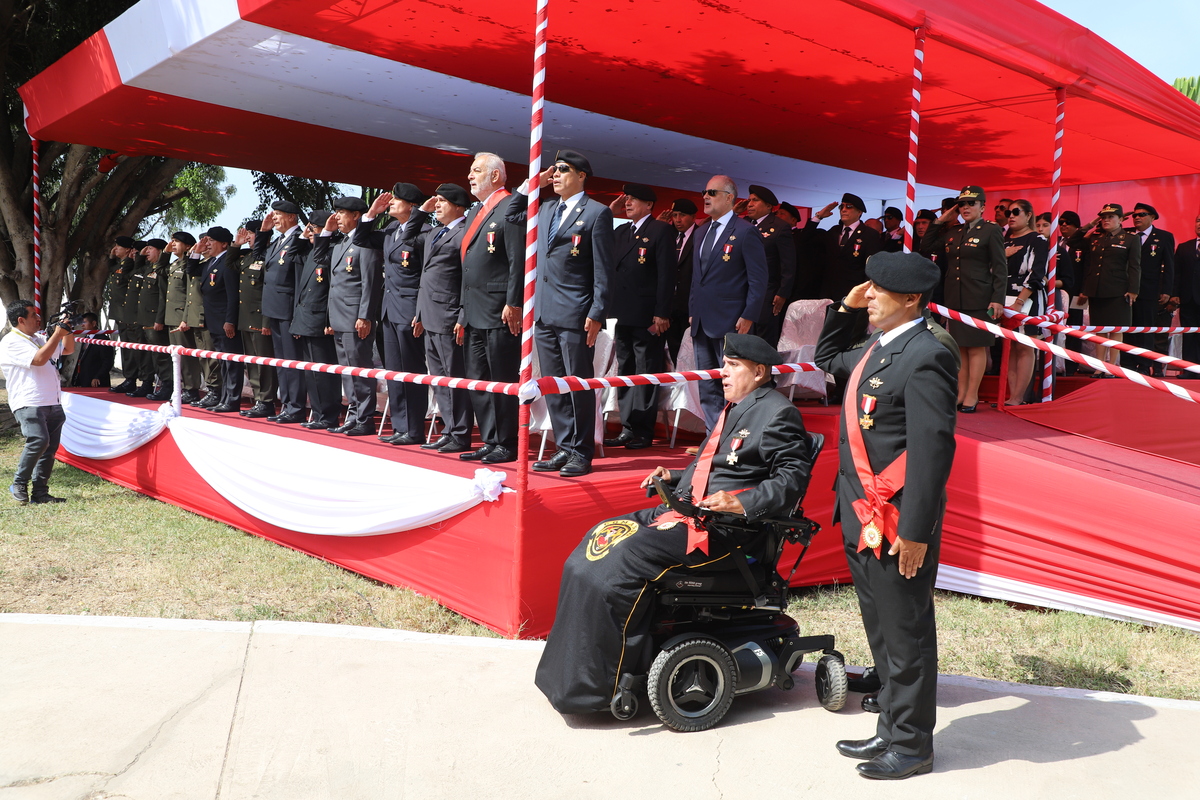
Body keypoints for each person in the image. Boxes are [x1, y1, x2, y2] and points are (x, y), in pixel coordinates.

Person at [535, 333, 813, 715]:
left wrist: (742, 501)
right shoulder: (740, 407)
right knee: (603, 536)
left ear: (760, 371)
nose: (722, 373)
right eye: (725, 364)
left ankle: (602, 687)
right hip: (691, 511)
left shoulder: (778, 412)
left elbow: (790, 480)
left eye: (733, 365)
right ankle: (570, 676)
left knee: (623, 561)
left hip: (725, 533)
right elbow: (714, 469)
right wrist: (676, 476)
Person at [815, 252, 957, 781]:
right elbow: (829, 359)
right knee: (882, 631)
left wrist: (917, 532)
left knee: (908, 636)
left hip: (898, 522)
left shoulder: (926, 354)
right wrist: (845, 309)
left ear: (913, 299)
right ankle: (891, 728)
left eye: (877, 290)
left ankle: (913, 746)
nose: (868, 294)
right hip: (860, 514)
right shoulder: (879, 345)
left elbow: (932, 450)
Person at [506, 149, 615, 477]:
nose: (555, 176)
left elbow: (603, 268)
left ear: (581, 176)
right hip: (544, 312)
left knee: (577, 384)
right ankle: (564, 446)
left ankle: (581, 451)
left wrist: (597, 311)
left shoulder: (597, 212)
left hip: (575, 313)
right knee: (552, 385)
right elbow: (512, 217)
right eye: (554, 171)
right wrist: (530, 186)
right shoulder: (547, 208)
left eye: (562, 170)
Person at [457, 153, 525, 463]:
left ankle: (507, 442)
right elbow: (468, 269)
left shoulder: (511, 205)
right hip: (473, 311)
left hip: (500, 310)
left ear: (496, 176)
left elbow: (517, 261)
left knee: (502, 379)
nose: (470, 176)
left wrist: (514, 302)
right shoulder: (475, 212)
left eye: (477, 170)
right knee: (479, 380)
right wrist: (462, 312)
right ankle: (489, 439)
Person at [689, 175, 768, 431]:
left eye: (712, 192)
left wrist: (749, 315)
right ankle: (715, 438)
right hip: (702, 321)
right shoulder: (700, 232)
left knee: (735, 385)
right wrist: (693, 311)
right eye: (704, 192)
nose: (705, 197)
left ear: (729, 197)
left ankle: (737, 437)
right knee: (707, 385)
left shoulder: (746, 232)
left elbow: (758, 279)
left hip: (733, 322)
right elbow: (696, 278)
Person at [355, 182, 431, 444]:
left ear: (411, 206)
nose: (392, 203)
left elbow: (425, 277)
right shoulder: (390, 231)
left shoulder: (424, 232)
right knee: (394, 373)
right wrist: (371, 214)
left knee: (411, 371)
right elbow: (361, 238)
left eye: (397, 200)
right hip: (388, 310)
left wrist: (421, 312)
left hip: (410, 310)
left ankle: (414, 429)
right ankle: (400, 427)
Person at [604, 183, 674, 449]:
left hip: (647, 314)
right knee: (626, 370)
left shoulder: (660, 230)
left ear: (649, 205)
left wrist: (662, 312)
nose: (628, 203)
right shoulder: (621, 230)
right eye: (627, 199)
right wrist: (609, 215)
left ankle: (643, 430)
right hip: (621, 313)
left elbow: (667, 275)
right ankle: (627, 426)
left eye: (634, 199)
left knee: (646, 371)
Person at [928, 186, 1006, 412]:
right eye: (962, 204)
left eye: (971, 203)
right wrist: (942, 219)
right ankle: (961, 393)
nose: (966, 208)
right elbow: (927, 245)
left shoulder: (990, 230)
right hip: (956, 296)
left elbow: (1001, 267)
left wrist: (997, 299)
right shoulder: (954, 231)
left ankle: (972, 394)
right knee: (959, 347)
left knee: (976, 347)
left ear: (983, 207)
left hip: (979, 296)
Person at [414, 183, 474, 453]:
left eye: (442, 201)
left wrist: (462, 313)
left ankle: (460, 432)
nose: (436, 205)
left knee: (454, 377)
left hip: (449, 314)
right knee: (438, 377)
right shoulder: (435, 233)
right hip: (429, 313)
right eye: (435, 201)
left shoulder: (465, 232)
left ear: (459, 206)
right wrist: (419, 313)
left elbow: (466, 278)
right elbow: (423, 272)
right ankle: (449, 429)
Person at [2, 300, 76, 504]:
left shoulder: (38, 338)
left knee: (49, 448)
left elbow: (68, 349)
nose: (38, 318)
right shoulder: (11, 341)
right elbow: (38, 360)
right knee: (39, 441)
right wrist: (56, 335)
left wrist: (66, 328)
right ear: (20, 320)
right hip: (29, 401)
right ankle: (19, 483)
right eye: (34, 315)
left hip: (52, 400)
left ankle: (40, 494)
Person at [323, 196, 384, 435]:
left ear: (356, 215)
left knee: (359, 369)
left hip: (355, 318)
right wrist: (326, 233)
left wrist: (365, 316)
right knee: (346, 371)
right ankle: (353, 413)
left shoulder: (364, 243)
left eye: (341, 213)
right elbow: (324, 266)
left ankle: (365, 418)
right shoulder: (339, 244)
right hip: (339, 317)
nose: (336, 217)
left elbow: (370, 283)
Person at [257, 200, 311, 423]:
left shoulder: (300, 239)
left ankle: (296, 407)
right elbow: (260, 258)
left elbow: (299, 279)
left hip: (288, 309)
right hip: (274, 308)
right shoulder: (278, 240)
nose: (274, 217)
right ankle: (286, 404)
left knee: (292, 360)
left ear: (292, 217)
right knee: (280, 361)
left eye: (278, 214)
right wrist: (263, 232)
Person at [291, 211, 345, 429]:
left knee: (325, 373)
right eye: (310, 227)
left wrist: (330, 320)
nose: (311, 231)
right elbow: (292, 255)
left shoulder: (331, 251)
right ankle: (318, 413)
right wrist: (304, 236)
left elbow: (331, 290)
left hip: (321, 321)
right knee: (311, 372)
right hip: (305, 319)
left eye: (315, 228)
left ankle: (329, 415)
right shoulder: (310, 252)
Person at [1078, 203, 1140, 370]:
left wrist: (1133, 289)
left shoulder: (1131, 238)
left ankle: (1112, 366)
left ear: (1121, 219)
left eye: (1110, 217)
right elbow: (1074, 240)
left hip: (1118, 290)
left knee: (1116, 328)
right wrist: (1092, 224)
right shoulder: (1096, 237)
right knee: (1100, 329)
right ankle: (1100, 366)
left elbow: (1135, 266)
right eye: (1103, 217)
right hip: (1097, 289)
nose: (1106, 220)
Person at [188, 226, 244, 412]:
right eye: (207, 240)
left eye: (211, 240)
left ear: (224, 244)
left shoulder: (227, 263)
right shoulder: (210, 263)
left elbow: (232, 296)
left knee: (232, 362)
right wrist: (197, 251)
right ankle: (225, 398)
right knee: (222, 362)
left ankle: (232, 400)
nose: (208, 244)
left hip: (225, 322)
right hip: (213, 321)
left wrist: (230, 321)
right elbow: (192, 269)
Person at [1002, 199, 1048, 404]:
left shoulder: (1037, 239)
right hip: (1002, 295)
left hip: (1027, 296)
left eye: (1016, 212)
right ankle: (1013, 395)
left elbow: (1036, 273)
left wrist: (1019, 302)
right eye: (1007, 212)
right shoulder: (1003, 239)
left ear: (1029, 215)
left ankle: (1019, 396)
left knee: (1025, 345)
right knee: (1009, 345)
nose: (1010, 216)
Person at [233, 221, 279, 418]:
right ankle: (258, 398)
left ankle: (266, 401)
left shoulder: (270, 255)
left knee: (264, 363)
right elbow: (229, 265)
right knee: (251, 362)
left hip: (261, 319)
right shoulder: (247, 257)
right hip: (245, 319)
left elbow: (269, 291)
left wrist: (266, 322)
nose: (249, 237)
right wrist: (236, 246)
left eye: (252, 234)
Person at [741, 184, 797, 346]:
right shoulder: (743, 224)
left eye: (755, 201)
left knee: (762, 339)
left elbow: (788, 263)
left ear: (768, 206)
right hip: (743, 291)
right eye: (749, 200)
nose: (749, 204)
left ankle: (764, 371)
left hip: (767, 293)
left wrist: (783, 293)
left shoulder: (780, 227)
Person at [1123, 203, 1174, 376]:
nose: (1137, 217)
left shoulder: (1164, 236)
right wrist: (1120, 220)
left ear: (1152, 217)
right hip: (1126, 289)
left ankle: (1144, 365)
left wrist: (1167, 290)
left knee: (1146, 329)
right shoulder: (1126, 234)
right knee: (1127, 328)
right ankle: (1127, 364)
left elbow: (1169, 266)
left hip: (1149, 290)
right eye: (1134, 215)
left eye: (1142, 214)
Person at [812, 193, 882, 302]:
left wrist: (864, 294)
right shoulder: (834, 231)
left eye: (849, 207)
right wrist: (818, 217)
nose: (843, 210)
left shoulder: (869, 234)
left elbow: (872, 267)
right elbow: (806, 240)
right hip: (828, 293)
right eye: (842, 207)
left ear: (859, 212)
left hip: (853, 294)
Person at [161, 231, 203, 403]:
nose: (173, 244)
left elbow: (190, 295)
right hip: (172, 316)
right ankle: (184, 387)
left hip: (181, 317)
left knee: (186, 357)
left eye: (177, 242)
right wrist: (165, 253)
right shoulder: (174, 264)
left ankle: (191, 389)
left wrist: (185, 318)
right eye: (172, 241)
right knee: (177, 357)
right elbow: (159, 271)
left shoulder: (188, 264)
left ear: (187, 246)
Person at [662, 198, 697, 364]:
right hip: (669, 305)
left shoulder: (700, 235)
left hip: (689, 304)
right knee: (673, 350)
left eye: (682, 215)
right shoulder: (668, 234)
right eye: (674, 215)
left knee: (691, 352)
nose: (677, 219)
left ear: (692, 217)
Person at [1172, 214, 1200, 374]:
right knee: (1188, 336)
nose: (1199, 224)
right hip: (1188, 299)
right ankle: (1189, 370)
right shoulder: (1184, 247)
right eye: (1197, 221)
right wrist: (1174, 294)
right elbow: (1177, 274)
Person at [70, 312, 113, 388]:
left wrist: (98, 376)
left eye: (84, 322)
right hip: (84, 380)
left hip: (97, 382)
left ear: (93, 323)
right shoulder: (86, 338)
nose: (82, 325)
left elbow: (107, 361)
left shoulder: (103, 339)